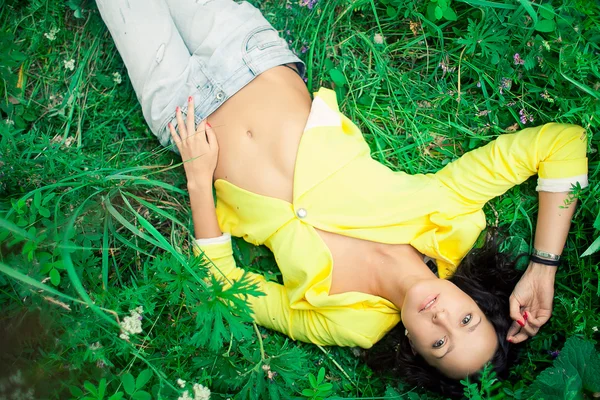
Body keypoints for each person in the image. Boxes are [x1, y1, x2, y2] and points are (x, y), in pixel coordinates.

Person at [97, 0, 589, 396]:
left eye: (440, 342)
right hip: (242, 55)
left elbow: (224, 284)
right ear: (476, 300)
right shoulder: (448, 216)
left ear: (416, 351)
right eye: (466, 319)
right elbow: (560, 143)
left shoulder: (345, 324)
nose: (441, 317)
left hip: (179, 108)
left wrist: (197, 179)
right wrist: (544, 265)